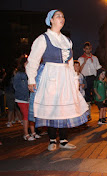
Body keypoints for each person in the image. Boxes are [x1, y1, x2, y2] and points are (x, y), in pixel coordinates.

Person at [26, 10, 89, 151]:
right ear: (51, 20)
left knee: (65, 107)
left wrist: (75, 79)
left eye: (63, 16)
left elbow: (71, 62)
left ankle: (64, 140)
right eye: (58, 16)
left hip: (65, 75)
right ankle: (52, 140)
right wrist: (31, 79)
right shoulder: (43, 38)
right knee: (53, 107)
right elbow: (33, 59)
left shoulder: (67, 40)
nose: (62, 18)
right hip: (50, 75)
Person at [13, 57, 41, 141]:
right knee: (26, 116)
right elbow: (16, 87)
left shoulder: (30, 74)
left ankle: (33, 132)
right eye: (27, 63)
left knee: (31, 115)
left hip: (29, 97)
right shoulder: (19, 74)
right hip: (22, 98)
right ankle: (26, 134)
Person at [78, 42, 102, 121]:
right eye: (86, 49)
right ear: (84, 49)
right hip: (86, 78)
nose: (88, 50)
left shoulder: (94, 58)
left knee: (97, 95)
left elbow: (98, 68)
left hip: (94, 78)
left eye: (89, 48)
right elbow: (79, 70)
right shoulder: (80, 59)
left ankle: (101, 116)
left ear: (91, 49)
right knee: (87, 97)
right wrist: (84, 61)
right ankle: (88, 115)